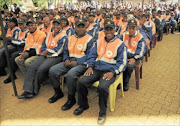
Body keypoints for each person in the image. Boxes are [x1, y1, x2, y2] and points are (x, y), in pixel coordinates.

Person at [74, 19, 127, 124]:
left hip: (109, 71)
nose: (108, 32)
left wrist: (114, 72)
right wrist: (89, 66)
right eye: (106, 29)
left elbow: (123, 63)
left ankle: (102, 112)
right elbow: (92, 55)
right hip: (96, 69)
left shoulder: (120, 44)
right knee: (81, 82)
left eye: (110, 29)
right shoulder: (98, 42)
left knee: (102, 87)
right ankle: (83, 105)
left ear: (115, 30)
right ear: (103, 30)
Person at [48, 19, 94, 111]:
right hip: (69, 62)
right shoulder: (71, 37)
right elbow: (66, 51)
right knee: (52, 70)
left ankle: (71, 98)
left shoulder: (90, 39)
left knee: (70, 75)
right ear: (75, 28)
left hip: (82, 64)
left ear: (85, 27)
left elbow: (90, 55)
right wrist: (66, 59)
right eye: (78, 26)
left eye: (82, 27)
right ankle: (58, 92)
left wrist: (78, 62)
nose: (80, 29)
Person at [18, 19, 68, 99]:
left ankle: (34, 90)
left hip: (56, 56)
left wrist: (47, 51)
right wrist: (45, 51)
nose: (55, 26)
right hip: (46, 54)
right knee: (33, 65)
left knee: (41, 69)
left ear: (61, 26)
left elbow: (59, 49)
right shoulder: (49, 34)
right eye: (54, 24)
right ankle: (27, 90)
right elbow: (43, 45)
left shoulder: (63, 36)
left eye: (58, 25)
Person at [120, 19, 146, 91]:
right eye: (129, 28)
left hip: (135, 57)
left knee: (129, 66)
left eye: (132, 28)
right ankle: (120, 81)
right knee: (118, 63)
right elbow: (118, 45)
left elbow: (141, 51)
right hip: (124, 56)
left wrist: (134, 58)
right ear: (127, 28)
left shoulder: (140, 37)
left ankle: (125, 82)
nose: (131, 30)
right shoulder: (123, 35)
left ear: (136, 28)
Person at [4, 18, 29, 83]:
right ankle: (4, 68)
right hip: (17, 47)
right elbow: (15, 41)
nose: (20, 26)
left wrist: (14, 40)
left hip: (24, 49)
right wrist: (15, 41)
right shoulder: (19, 31)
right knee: (6, 51)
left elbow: (23, 43)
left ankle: (12, 75)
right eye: (19, 24)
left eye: (22, 24)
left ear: (25, 24)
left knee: (13, 55)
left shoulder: (28, 32)